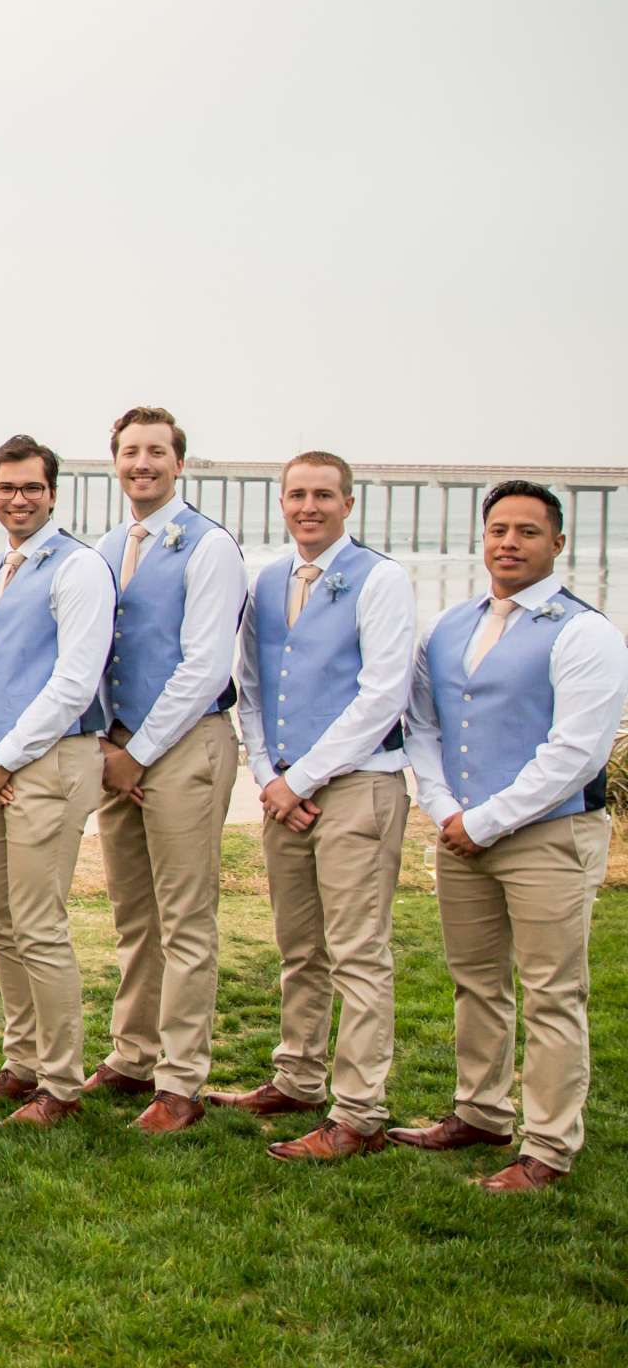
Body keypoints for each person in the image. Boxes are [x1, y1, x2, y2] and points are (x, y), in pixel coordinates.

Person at [391, 481, 628, 1192]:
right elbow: (422, 725)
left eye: (528, 531)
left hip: (548, 838)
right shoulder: (451, 626)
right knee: (477, 983)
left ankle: (549, 1145)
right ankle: (481, 1111)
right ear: (482, 538)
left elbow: (575, 753)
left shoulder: (585, 632)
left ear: (558, 544)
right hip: (461, 836)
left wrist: (485, 820)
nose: (510, 542)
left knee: (553, 992)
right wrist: (440, 808)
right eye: (499, 529)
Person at [207, 452, 415, 1164]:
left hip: (359, 785)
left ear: (348, 504)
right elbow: (253, 686)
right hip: (283, 789)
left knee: (358, 951)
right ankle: (297, 1076)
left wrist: (307, 778)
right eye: (297, 495)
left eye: (323, 495)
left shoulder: (380, 581)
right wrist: (269, 774)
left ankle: (359, 1111)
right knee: (301, 947)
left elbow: (383, 696)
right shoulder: (268, 583)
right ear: (283, 501)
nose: (309, 507)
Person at [88, 408, 243, 1134]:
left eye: (155, 451)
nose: (141, 462)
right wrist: (104, 747)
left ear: (179, 462)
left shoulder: (208, 546)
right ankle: (133, 1053)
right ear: (114, 462)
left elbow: (206, 663)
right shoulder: (110, 544)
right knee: (135, 915)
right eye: (129, 451)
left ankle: (182, 1081)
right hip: (118, 748)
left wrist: (138, 752)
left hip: (180, 745)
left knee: (185, 917)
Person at [0, 435, 115, 1127]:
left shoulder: (78, 568)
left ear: (52, 493)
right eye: (6, 488)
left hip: (47, 761)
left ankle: (61, 1083)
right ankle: (21, 1063)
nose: (18, 499)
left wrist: (7, 758)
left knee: (40, 925)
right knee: (2, 922)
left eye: (31, 488)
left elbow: (75, 680)